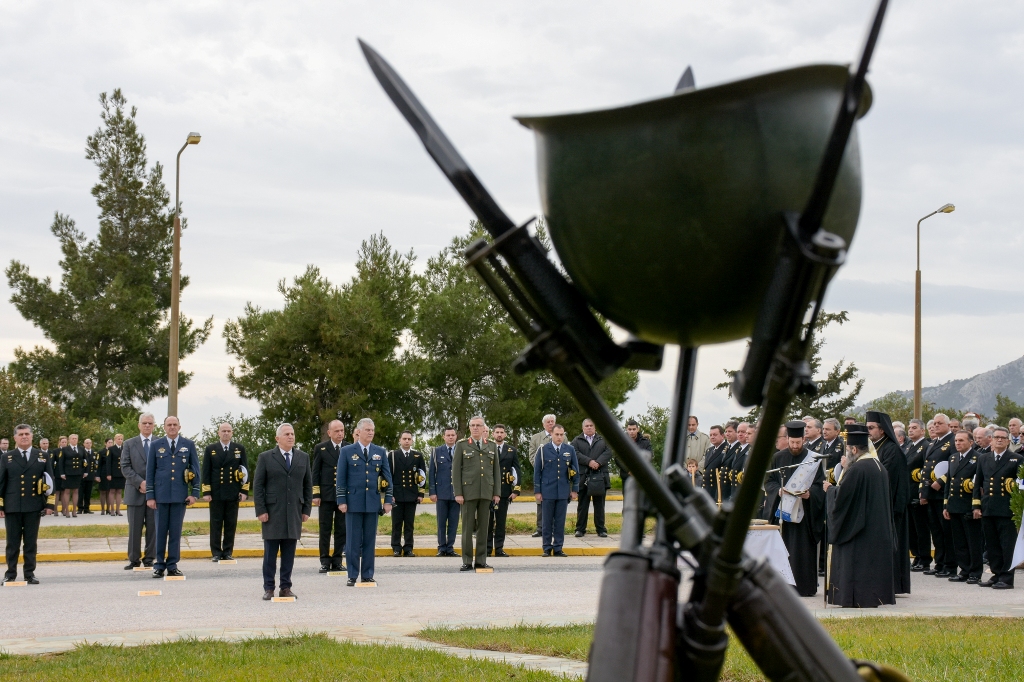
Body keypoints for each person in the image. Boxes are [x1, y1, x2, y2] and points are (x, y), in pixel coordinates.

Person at [824, 424, 895, 608]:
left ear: (854, 449)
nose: (847, 453)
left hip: (860, 531)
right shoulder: (878, 466)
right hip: (876, 527)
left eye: (848, 449)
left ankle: (853, 598)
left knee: (858, 567)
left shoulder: (857, 469)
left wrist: (830, 490)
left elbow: (844, 499)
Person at [764, 421, 825, 597]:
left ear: (804, 440)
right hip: (783, 513)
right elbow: (769, 482)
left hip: (804, 516)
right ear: (787, 439)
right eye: (792, 442)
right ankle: (783, 588)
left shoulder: (813, 459)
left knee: (803, 552)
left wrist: (810, 494)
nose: (795, 446)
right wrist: (778, 491)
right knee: (784, 550)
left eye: (798, 442)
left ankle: (805, 587)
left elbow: (819, 485)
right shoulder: (778, 458)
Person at [253, 423, 311, 600]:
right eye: (286, 434)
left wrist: (306, 509)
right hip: (272, 512)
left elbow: (307, 485)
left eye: (292, 434)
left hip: (294, 512)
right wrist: (261, 510)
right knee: (270, 554)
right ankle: (269, 587)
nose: (290, 437)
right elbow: (258, 486)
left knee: (289, 553)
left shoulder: (303, 457)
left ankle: (285, 587)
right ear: (277, 438)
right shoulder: (266, 457)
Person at [337, 418, 393, 586]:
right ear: (359, 431)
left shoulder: (380, 451)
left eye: (372, 430)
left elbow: (387, 478)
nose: (370, 432)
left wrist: (388, 500)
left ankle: (367, 574)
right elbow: (341, 478)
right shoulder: (347, 451)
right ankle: (352, 574)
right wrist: (341, 500)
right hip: (353, 501)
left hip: (372, 502)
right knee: (352, 540)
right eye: (367, 430)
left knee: (369, 540)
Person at [0, 424, 56, 584]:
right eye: (20, 434)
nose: (24, 437)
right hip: (13, 506)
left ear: (32, 437)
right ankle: (10, 574)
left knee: (31, 542)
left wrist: (50, 505)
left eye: (27, 434)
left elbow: (50, 481)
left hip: (34, 505)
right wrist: (0, 505)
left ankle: (29, 574)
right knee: (12, 543)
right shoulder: (7, 457)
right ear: (15, 438)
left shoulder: (42, 456)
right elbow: (1, 482)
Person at [146, 416, 200, 578]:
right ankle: (159, 565)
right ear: (164, 427)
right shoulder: (156, 445)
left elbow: (195, 470)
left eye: (174, 424)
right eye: (169, 425)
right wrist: (150, 496)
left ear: (179, 427)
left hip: (179, 496)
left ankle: (172, 565)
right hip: (161, 496)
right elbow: (150, 472)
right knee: (160, 532)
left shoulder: (188, 444)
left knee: (175, 532)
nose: (172, 427)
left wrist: (194, 493)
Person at [866, 410, 912, 595]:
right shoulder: (873, 447)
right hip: (879, 505)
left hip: (891, 506)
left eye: (871, 428)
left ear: (882, 429)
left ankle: (894, 585)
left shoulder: (892, 449)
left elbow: (885, 477)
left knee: (893, 546)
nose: (868, 431)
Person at [972, 427, 1022, 589]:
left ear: (1008, 441)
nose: (999, 440)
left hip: (1007, 509)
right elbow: (978, 483)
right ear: (991, 440)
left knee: (1007, 545)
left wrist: (1017, 506)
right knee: (992, 545)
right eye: (996, 437)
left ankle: (1007, 578)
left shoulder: (1016, 458)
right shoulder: (984, 458)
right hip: (988, 507)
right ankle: (996, 574)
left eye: (1003, 438)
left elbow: (1021, 484)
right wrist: (976, 506)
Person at [454, 416, 501, 570]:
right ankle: (467, 561)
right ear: (469, 428)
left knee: (484, 528)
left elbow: (496, 471)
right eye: (472, 425)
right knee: (467, 528)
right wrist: (458, 493)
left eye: (478, 425)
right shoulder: (461, 445)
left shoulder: (491, 446)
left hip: (486, 490)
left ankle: (481, 560)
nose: (475, 428)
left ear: (483, 428)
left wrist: (496, 492)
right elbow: (456, 471)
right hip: (468, 492)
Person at [202, 422, 249, 563]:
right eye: (223, 431)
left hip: (233, 492)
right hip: (216, 493)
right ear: (218, 433)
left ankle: (228, 551)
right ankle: (216, 552)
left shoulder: (239, 449)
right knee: (215, 524)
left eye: (228, 431)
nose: (226, 433)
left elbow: (245, 470)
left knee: (230, 523)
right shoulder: (211, 449)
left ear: (232, 433)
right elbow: (206, 471)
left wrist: (244, 491)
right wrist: (206, 492)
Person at [943, 430, 983, 583]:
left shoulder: (978, 458)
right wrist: (946, 505)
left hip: (968, 505)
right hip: (954, 505)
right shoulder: (953, 458)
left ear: (971, 442)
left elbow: (978, 485)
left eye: (961, 440)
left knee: (973, 542)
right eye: (956, 441)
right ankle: (964, 570)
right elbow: (949, 483)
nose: (957, 443)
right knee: (959, 542)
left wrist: (976, 506)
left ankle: (975, 572)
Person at [534, 424, 580, 557]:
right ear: (551, 435)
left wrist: (575, 489)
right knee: (547, 521)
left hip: (563, 491)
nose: (559, 437)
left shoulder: (569, 449)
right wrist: (537, 491)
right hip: (547, 490)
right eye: (557, 434)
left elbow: (575, 470)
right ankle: (547, 547)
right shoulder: (543, 450)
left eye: (561, 435)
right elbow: (537, 472)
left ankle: (558, 547)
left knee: (560, 521)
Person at [920, 413, 956, 577]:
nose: (935, 426)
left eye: (939, 423)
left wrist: (941, 481)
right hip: (931, 493)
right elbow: (926, 469)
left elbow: (955, 465)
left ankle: (950, 565)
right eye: (934, 423)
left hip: (943, 492)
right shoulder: (933, 443)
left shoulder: (952, 441)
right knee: (936, 531)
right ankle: (939, 563)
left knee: (946, 531)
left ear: (948, 425)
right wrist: (923, 492)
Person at [121, 415, 157, 569]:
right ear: (139, 425)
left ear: (154, 425)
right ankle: (134, 559)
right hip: (135, 492)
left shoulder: (160, 443)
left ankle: (149, 558)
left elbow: (163, 467)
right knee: (134, 529)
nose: (147, 425)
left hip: (154, 493)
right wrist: (140, 482)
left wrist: (151, 484)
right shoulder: (129, 444)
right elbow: (125, 467)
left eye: (150, 423)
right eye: (144, 423)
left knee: (153, 528)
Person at [311, 420, 346, 573]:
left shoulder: (349, 448)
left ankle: (337, 560)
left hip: (343, 496)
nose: (340, 433)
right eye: (336, 431)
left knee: (341, 529)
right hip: (326, 495)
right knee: (325, 529)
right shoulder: (321, 448)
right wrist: (316, 494)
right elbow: (315, 472)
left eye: (342, 430)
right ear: (329, 433)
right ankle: (324, 560)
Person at [388, 430, 426, 557]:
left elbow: (422, 475)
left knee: (409, 524)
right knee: (396, 523)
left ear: (412, 441)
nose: (407, 441)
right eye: (404, 439)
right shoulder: (393, 455)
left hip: (411, 494)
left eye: (409, 439)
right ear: (400, 440)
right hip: (397, 494)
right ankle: (396, 547)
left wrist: (421, 494)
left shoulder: (417, 456)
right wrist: (389, 494)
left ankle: (408, 548)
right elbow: (388, 475)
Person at [572, 419, 611, 538]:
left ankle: (601, 529)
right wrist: (589, 461)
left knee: (599, 505)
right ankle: (580, 529)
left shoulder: (603, 439)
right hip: (583, 477)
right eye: (587, 426)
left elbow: (608, 452)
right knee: (582, 505)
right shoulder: (576, 440)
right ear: (583, 428)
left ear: (595, 427)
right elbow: (575, 453)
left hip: (600, 476)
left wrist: (598, 462)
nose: (589, 427)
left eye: (591, 425)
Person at [488, 424, 521, 557]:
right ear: (493, 434)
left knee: (501, 523)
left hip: (504, 491)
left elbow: (517, 470)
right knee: (488, 523)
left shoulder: (511, 450)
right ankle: (487, 549)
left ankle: (499, 548)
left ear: (505, 434)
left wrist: (516, 490)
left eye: (501, 432)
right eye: (497, 432)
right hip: (489, 491)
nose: (499, 434)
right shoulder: (487, 448)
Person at [904, 419, 932, 571]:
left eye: (914, 428)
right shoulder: (909, 446)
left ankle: (924, 558)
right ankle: (916, 555)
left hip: (917, 492)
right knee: (911, 529)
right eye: (909, 427)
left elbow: (926, 469)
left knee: (921, 528)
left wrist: (923, 493)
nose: (910, 430)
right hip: (908, 492)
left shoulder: (926, 446)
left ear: (922, 431)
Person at [429, 427, 461, 557]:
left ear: (456, 436)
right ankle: (441, 547)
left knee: (453, 522)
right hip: (441, 492)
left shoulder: (461, 451)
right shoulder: (436, 451)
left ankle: (450, 547)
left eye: (453, 435)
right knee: (441, 522)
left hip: (456, 493)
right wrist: (432, 491)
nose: (450, 437)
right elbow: (432, 472)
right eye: (448, 435)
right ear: (444, 437)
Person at [529, 414, 556, 537]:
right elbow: (532, 456)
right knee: (541, 501)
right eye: (548, 422)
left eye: (552, 421)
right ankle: (540, 528)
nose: (550, 424)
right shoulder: (536, 438)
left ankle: (554, 528)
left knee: (556, 501)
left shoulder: (562, 437)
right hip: (542, 475)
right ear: (543, 424)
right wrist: (540, 468)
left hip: (557, 475)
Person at [59, 433, 87, 517]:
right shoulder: (65, 449)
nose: (74, 440)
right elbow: (61, 462)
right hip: (68, 473)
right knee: (67, 491)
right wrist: (62, 473)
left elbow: (85, 460)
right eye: (73, 438)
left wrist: (85, 471)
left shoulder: (81, 449)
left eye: (76, 438)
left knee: (76, 491)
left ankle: (74, 510)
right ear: (69, 440)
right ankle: (67, 510)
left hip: (78, 472)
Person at [702, 425, 728, 504]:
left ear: (722, 436)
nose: (712, 437)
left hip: (717, 491)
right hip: (707, 490)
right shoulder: (709, 450)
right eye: (711, 435)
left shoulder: (727, 449)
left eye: (715, 435)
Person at [107, 433, 125, 516]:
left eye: (121, 439)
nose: (120, 440)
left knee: (119, 491)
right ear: (115, 440)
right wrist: (108, 474)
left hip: (121, 473)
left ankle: (118, 509)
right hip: (113, 473)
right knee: (112, 491)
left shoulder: (124, 448)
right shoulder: (111, 449)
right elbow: (108, 462)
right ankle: (112, 509)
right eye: (118, 439)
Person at [79, 438, 97, 514]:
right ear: (84, 444)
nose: (88, 444)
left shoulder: (94, 453)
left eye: (90, 443)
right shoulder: (81, 452)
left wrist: (95, 475)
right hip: (82, 476)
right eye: (87, 443)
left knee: (88, 493)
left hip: (90, 475)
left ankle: (87, 508)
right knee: (80, 493)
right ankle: (80, 508)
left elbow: (95, 464)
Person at [96, 438, 113, 515]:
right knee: (103, 491)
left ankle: (108, 509)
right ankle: (102, 509)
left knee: (109, 491)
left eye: (111, 442)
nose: (110, 444)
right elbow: (98, 464)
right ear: (105, 443)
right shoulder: (101, 452)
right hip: (103, 473)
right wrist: (97, 475)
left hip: (111, 473)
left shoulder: (113, 451)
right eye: (109, 442)